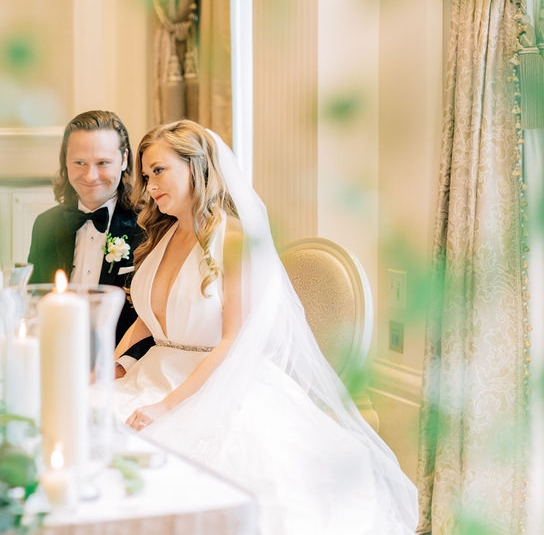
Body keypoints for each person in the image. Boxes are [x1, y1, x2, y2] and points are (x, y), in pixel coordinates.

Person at [112, 120, 417, 535]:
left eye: (159, 171)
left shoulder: (232, 239)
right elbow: (148, 320)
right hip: (153, 374)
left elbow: (233, 339)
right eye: (146, 176)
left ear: (196, 166)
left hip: (217, 379)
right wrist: (114, 363)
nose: (150, 187)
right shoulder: (165, 234)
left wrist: (168, 407)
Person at [28, 110, 153, 368]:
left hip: (120, 368)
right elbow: (34, 302)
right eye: (79, 163)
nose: (90, 176)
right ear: (65, 161)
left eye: (103, 163)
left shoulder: (149, 226)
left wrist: (121, 365)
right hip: (54, 361)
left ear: (124, 159)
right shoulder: (45, 225)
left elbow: (156, 317)